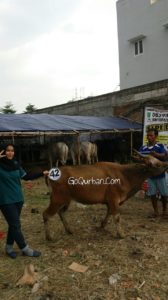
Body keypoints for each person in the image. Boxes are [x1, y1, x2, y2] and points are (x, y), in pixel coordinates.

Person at [0, 144, 49, 259]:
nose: (10, 153)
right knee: (16, 225)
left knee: (14, 225)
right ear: (3, 151)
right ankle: (25, 249)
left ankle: (9, 248)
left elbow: (26, 176)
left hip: (18, 199)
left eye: (12, 151)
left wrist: (42, 173)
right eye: (7, 150)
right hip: (5, 200)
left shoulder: (16, 164)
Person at [139, 128, 168, 217]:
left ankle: (164, 211)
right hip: (150, 175)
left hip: (160, 175)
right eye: (148, 135)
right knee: (152, 194)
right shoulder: (143, 147)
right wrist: (140, 159)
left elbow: (165, 156)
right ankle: (155, 212)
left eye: (151, 135)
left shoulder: (160, 146)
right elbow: (138, 158)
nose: (149, 137)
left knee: (164, 194)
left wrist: (156, 155)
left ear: (156, 136)